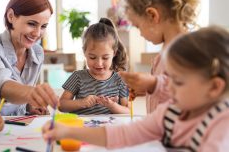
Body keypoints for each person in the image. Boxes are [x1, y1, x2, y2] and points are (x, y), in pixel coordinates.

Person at [42, 26, 229, 151]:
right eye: (167, 78)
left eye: (178, 82)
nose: (166, 87)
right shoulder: (169, 112)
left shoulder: (222, 125)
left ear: (214, 87)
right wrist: (68, 132)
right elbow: (125, 134)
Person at [0, 0, 58, 116]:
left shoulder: (37, 52)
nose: (37, 34)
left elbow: (24, 98)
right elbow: (3, 86)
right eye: (32, 24)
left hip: (18, 126)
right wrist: (33, 93)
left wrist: (31, 107)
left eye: (43, 26)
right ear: (11, 17)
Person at [118, 0, 199, 113]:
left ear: (152, 15)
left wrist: (152, 84)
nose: (140, 34)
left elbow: (189, 92)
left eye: (138, 26)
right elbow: (167, 88)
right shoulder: (165, 50)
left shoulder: (188, 51)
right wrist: (147, 88)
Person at [58, 18, 129, 115]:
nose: (99, 63)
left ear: (114, 53)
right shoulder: (77, 77)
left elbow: (127, 110)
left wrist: (113, 106)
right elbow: (61, 105)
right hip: (82, 128)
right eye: (92, 57)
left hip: (108, 128)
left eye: (105, 58)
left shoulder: (120, 80)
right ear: (84, 52)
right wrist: (81, 103)